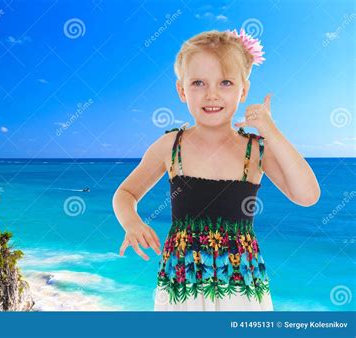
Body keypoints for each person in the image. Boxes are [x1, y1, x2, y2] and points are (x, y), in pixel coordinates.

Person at [112, 29, 320, 311]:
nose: (212, 94)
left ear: (243, 90)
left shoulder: (257, 150)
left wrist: (271, 130)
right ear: (182, 90)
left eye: (225, 82)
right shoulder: (169, 146)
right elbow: (125, 193)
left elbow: (307, 195)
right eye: (199, 82)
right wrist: (132, 223)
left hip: (240, 284)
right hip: (182, 283)